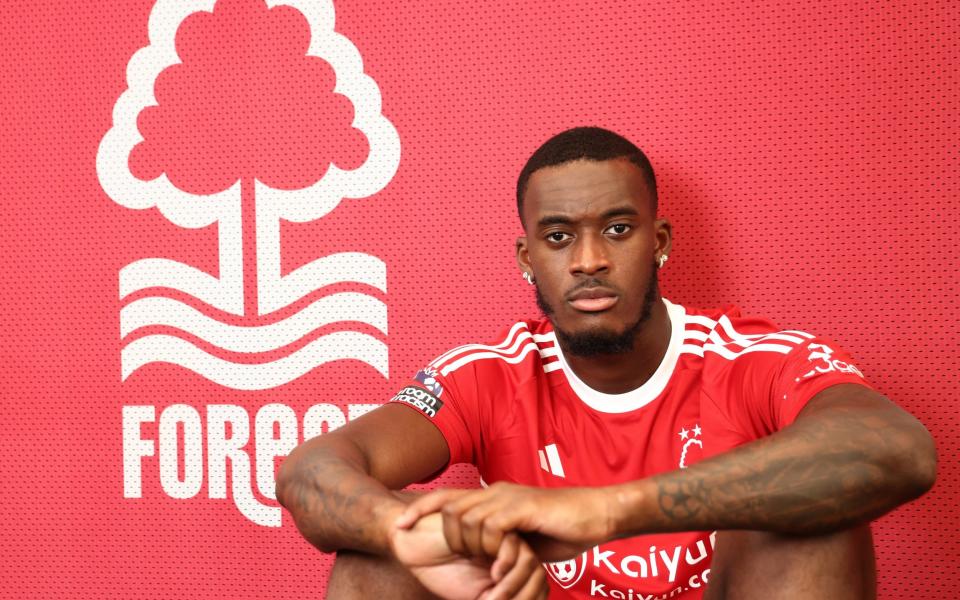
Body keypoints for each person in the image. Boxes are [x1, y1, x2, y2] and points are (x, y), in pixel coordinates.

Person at [276, 127, 936, 599]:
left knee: (810, 522)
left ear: (660, 242)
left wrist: (607, 511)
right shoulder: (491, 372)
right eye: (559, 237)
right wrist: (404, 534)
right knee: (378, 559)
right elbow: (311, 472)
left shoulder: (748, 356)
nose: (589, 259)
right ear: (528, 258)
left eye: (617, 230)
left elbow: (899, 452)